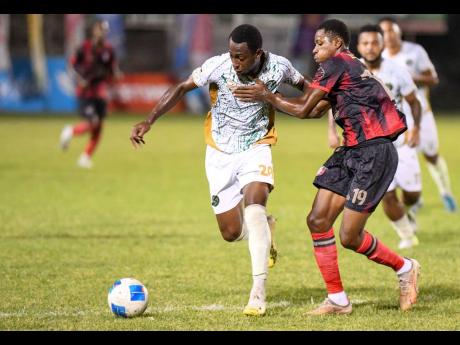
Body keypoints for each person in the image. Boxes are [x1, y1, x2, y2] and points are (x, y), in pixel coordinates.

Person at [233, 19, 420, 315]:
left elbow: (305, 107)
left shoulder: (337, 64)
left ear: (337, 44)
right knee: (318, 220)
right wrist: (271, 98)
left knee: (349, 237)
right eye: (315, 43)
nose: (315, 48)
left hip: (374, 152)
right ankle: (338, 300)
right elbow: (314, 111)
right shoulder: (346, 67)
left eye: (321, 43)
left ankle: (405, 267)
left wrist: (267, 95)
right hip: (351, 151)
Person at [129, 24, 308, 316]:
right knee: (231, 232)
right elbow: (182, 88)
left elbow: (311, 90)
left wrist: (275, 99)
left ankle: (258, 294)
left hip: (257, 146)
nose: (235, 62)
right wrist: (149, 120)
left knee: (254, 208)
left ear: (258, 54)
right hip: (219, 153)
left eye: (241, 57)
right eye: (232, 54)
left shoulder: (280, 68)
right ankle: (265, 228)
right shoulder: (217, 66)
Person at [328, 24, 422, 249]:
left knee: (411, 194)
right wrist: (331, 131)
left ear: (382, 45)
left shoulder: (397, 70)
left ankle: (407, 210)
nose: (370, 48)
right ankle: (407, 236)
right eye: (365, 43)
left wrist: (416, 128)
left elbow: (413, 102)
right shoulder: (349, 69)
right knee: (388, 196)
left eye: (374, 42)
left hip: (401, 141)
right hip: (371, 147)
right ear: (358, 46)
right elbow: (336, 102)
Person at [379, 17, 457, 213]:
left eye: (391, 31)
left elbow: (433, 78)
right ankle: (414, 198)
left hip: (422, 114)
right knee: (405, 156)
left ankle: (445, 192)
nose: (388, 36)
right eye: (384, 32)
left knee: (431, 156)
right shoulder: (379, 59)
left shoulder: (415, 51)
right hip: (397, 118)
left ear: (398, 32)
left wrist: (409, 78)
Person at [60, 19, 121, 169]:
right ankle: (70, 130)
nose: (103, 33)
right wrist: (80, 79)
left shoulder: (108, 50)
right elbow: (72, 64)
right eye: (101, 29)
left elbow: (112, 69)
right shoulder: (84, 48)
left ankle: (85, 157)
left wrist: (116, 74)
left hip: (100, 93)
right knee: (92, 122)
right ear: (94, 30)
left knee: (99, 126)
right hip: (86, 92)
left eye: (105, 31)